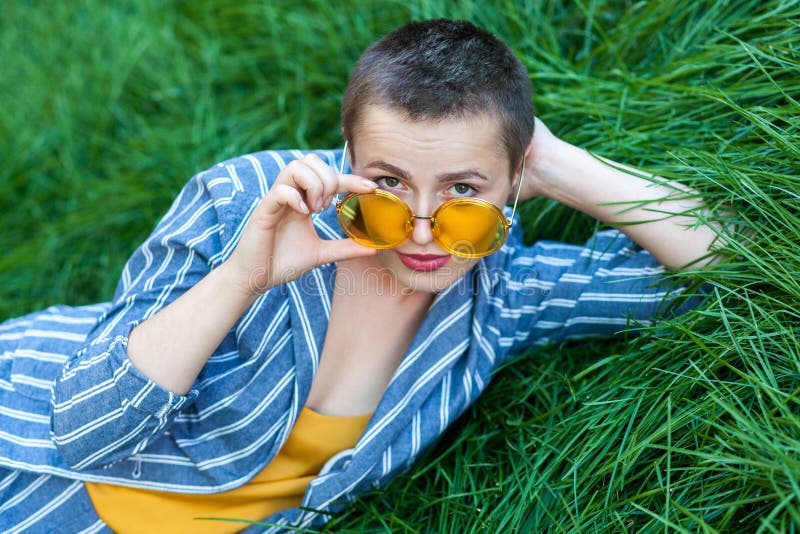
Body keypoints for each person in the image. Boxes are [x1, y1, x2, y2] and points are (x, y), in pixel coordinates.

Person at [0, 19, 716, 533]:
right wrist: (242, 279)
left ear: (514, 180)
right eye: (389, 184)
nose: (426, 230)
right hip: (33, 467)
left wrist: (561, 167)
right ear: (347, 152)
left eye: (464, 192)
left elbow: (717, 263)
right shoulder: (244, 200)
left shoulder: (495, 297)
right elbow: (88, 436)